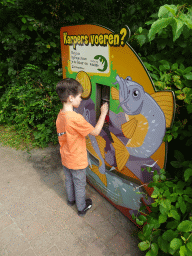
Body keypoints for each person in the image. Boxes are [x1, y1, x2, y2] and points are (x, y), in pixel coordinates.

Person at [56, 78, 108, 216]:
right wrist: (103, 113)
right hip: (77, 160)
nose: (81, 99)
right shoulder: (75, 118)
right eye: (79, 97)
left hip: (66, 157)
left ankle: (70, 200)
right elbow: (95, 132)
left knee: (69, 180)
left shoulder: (60, 115)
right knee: (79, 184)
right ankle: (81, 208)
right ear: (71, 98)